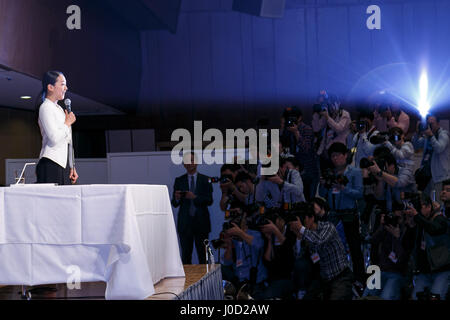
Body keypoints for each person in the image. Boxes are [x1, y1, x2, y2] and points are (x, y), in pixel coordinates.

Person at [318, 142, 365, 287]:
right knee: (332, 248)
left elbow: (359, 193)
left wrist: (343, 188)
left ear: (345, 155)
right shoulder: (330, 173)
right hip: (333, 215)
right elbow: (322, 195)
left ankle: (360, 279)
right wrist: (323, 184)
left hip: (349, 214)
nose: (335, 158)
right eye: (332, 156)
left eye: (338, 155)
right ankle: (334, 277)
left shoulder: (355, 172)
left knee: (354, 247)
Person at [289, 206, 354, 300]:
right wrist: (299, 237)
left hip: (341, 276)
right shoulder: (306, 235)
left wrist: (301, 229)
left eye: (303, 219)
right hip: (324, 278)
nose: (301, 223)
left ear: (312, 218)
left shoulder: (327, 227)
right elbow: (298, 256)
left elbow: (319, 240)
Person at [363, 203, 416, 300]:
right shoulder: (387, 229)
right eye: (394, 217)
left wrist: (397, 238)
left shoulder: (408, 232)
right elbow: (373, 240)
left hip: (397, 273)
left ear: (404, 219)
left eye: (399, 218)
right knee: (366, 296)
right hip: (380, 271)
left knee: (386, 297)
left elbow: (402, 259)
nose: (396, 221)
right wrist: (382, 225)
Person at [36, 71, 78, 185]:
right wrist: (67, 123)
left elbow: (68, 141)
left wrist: (72, 166)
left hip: (63, 165)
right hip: (51, 163)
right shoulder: (45, 107)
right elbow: (54, 138)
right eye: (63, 84)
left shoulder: (59, 109)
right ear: (50, 87)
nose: (66, 88)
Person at [172, 152, 213, 264]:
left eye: (192, 160)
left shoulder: (206, 179)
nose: (190, 164)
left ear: (197, 162)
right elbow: (174, 203)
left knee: (203, 256)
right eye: (187, 161)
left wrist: (194, 197)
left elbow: (209, 200)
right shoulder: (179, 180)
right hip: (185, 224)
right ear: (183, 164)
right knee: (186, 256)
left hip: (202, 223)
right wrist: (176, 198)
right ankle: (187, 281)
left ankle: (205, 280)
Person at [405, 196, 450, 300]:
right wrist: (410, 226)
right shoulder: (419, 222)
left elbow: (434, 229)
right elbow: (407, 245)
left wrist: (417, 216)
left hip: (441, 270)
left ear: (428, 206)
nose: (416, 212)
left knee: (436, 297)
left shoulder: (439, 219)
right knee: (415, 297)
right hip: (424, 272)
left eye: (418, 208)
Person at [280, 107, 319, 201]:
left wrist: (296, 132)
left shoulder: (307, 129)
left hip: (308, 170)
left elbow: (306, 149)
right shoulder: (288, 130)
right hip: (295, 170)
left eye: (293, 117)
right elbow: (282, 144)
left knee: (309, 199)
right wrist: (282, 126)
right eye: (289, 118)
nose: (291, 120)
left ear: (300, 118)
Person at [412, 114, 450, 201]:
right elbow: (416, 146)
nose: (429, 126)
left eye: (431, 124)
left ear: (438, 124)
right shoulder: (427, 136)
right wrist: (417, 133)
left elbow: (439, 148)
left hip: (439, 176)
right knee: (426, 202)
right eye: (428, 124)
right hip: (427, 174)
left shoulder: (444, 135)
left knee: (438, 202)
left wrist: (431, 135)